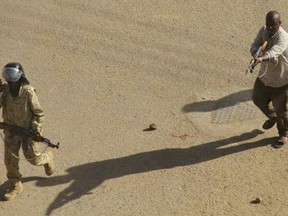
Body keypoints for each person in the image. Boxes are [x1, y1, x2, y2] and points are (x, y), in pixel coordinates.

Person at [0, 62, 55, 201]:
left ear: (20, 76)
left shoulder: (28, 92)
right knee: (9, 161)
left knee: (33, 159)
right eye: (7, 76)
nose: (9, 80)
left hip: (27, 131)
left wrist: (36, 130)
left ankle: (48, 158)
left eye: (12, 76)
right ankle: (15, 185)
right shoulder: (5, 91)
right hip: (10, 131)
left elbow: (39, 114)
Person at [251, 11, 288, 148]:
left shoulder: (284, 38)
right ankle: (272, 117)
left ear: (280, 23)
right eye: (268, 24)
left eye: (273, 25)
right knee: (257, 99)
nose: (270, 28)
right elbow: (255, 45)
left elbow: (274, 53)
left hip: (281, 81)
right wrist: (255, 52)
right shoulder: (264, 30)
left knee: (282, 112)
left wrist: (261, 58)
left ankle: (283, 134)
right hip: (264, 77)